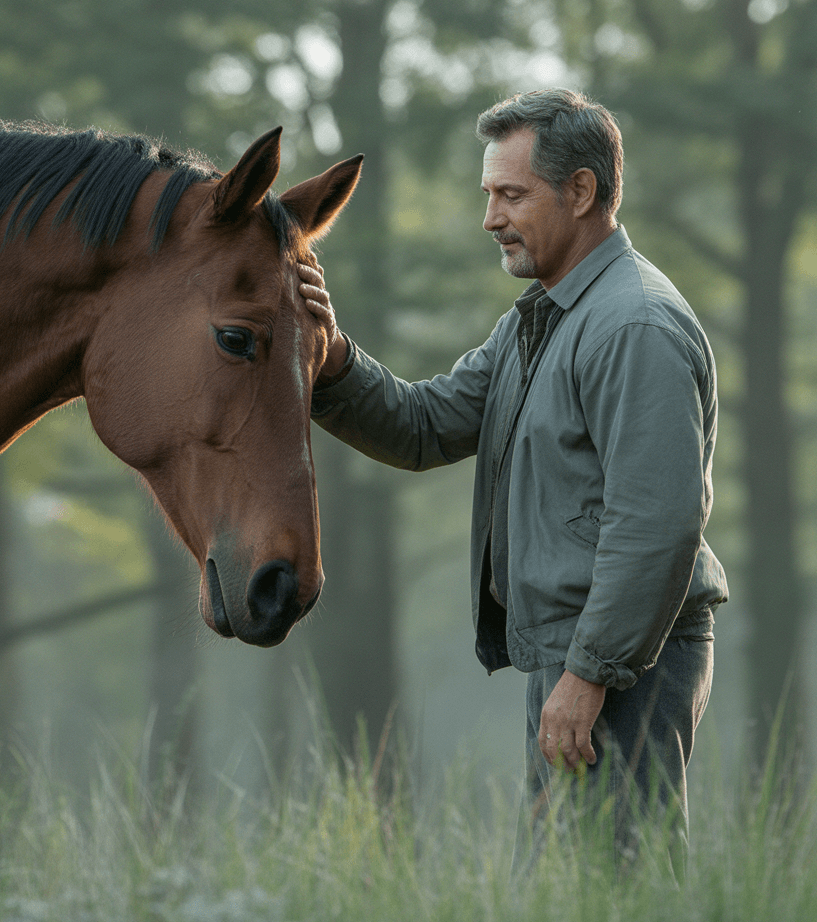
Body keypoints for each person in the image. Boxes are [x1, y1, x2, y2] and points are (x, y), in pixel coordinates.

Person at [298, 89, 728, 875]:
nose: (490, 217)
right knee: (571, 893)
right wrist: (329, 357)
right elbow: (424, 426)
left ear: (583, 191)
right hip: (580, 657)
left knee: (613, 892)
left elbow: (656, 524)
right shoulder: (541, 319)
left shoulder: (634, 327)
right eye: (487, 194)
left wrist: (590, 674)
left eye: (511, 194)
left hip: (620, 658)